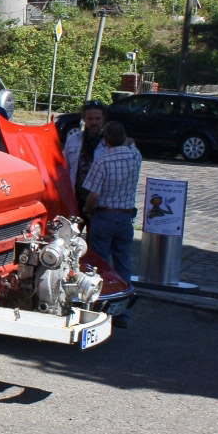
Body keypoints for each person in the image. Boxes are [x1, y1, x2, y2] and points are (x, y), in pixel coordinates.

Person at [82, 121, 142, 328]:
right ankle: (122, 313)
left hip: (104, 215)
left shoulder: (102, 161)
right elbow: (131, 144)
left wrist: (87, 209)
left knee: (99, 265)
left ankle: (100, 309)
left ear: (105, 140)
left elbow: (93, 194)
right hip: (125, 217)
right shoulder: (135, 157)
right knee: (123, 263)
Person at [63, 99, 108, 212]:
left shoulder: (110, 142)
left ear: (103, 119)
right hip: (76, 199)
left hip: (100, 202)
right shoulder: (73, 139)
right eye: (90, 118)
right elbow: (65, 169)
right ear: (84, 119)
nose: (94, 122)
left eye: (98, 119)